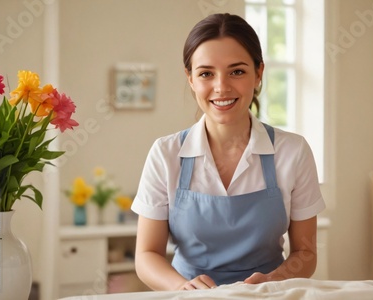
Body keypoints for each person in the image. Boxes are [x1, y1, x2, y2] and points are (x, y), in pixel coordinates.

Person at [132, 13, 326, 291]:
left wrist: (272, 281)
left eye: (237, 71)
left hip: (268, 296)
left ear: (259, 73)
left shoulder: (292, 151)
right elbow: (146, 255)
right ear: (190, 78)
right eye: (206, 73)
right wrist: (183, 287)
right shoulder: (166, 153)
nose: (221, 87)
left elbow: (305, 254)